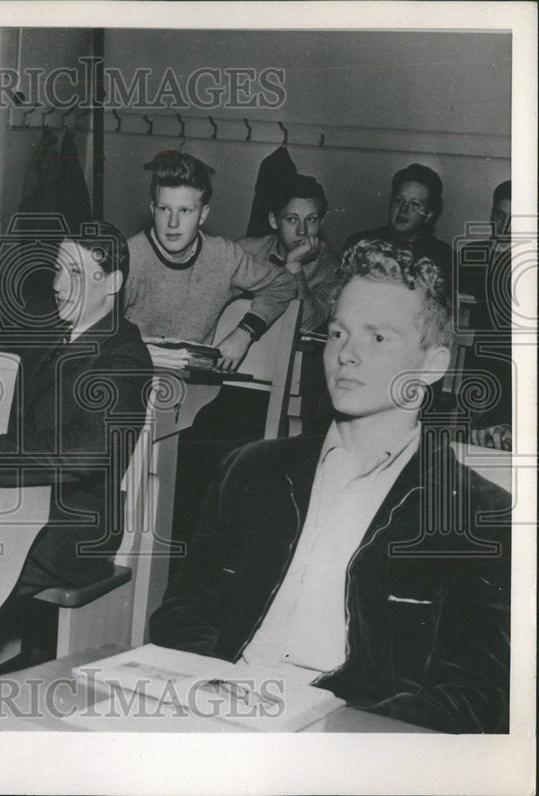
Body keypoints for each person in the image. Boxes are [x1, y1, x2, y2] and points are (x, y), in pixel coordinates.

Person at [149, 240, 510, 733]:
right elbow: (182, 612)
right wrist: (216, 698)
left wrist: (336, 738)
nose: (347, 354)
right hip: (217, 719)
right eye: (337, 332)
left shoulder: (476, 515)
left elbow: (476, 693)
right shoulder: (249, 470)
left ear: (433, 365)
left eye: (378, 338)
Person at [0, 114, 152, 594]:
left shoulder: (125, 356)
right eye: (58, 269)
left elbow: (88, 451)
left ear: (113, 283)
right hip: (18, 502)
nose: (58, 285)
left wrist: (3, 449)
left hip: (72, 530)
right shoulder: (49, 321)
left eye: (76, 274)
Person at [122, 150, 298, 371]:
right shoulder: (127, 258)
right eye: (164, 209)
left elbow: (284, 283)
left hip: (194, 389)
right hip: (133, 376)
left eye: (185, 210)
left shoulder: (223, 255)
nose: (173, 223)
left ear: (203, 215)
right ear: (152, 209)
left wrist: (244, 334)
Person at [238, 174, 339, 331]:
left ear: (321, 222)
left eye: (311, 219)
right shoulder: (246, 251)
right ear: (273, 220)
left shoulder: (330, 268)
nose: (302, 231)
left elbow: (307, 324)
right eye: (292, 219)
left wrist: (294, 265)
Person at [458, 179, 513, 445]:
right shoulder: (471, 253)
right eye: (501, 216)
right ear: (492, 215)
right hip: (469, 360)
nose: (506, 226)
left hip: (508, 367)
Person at [344, 162, 454, 287]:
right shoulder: (359, 244)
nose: (403, 209)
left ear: (428, 215)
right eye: (399, 200)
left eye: (415, 204)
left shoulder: (443, 258)